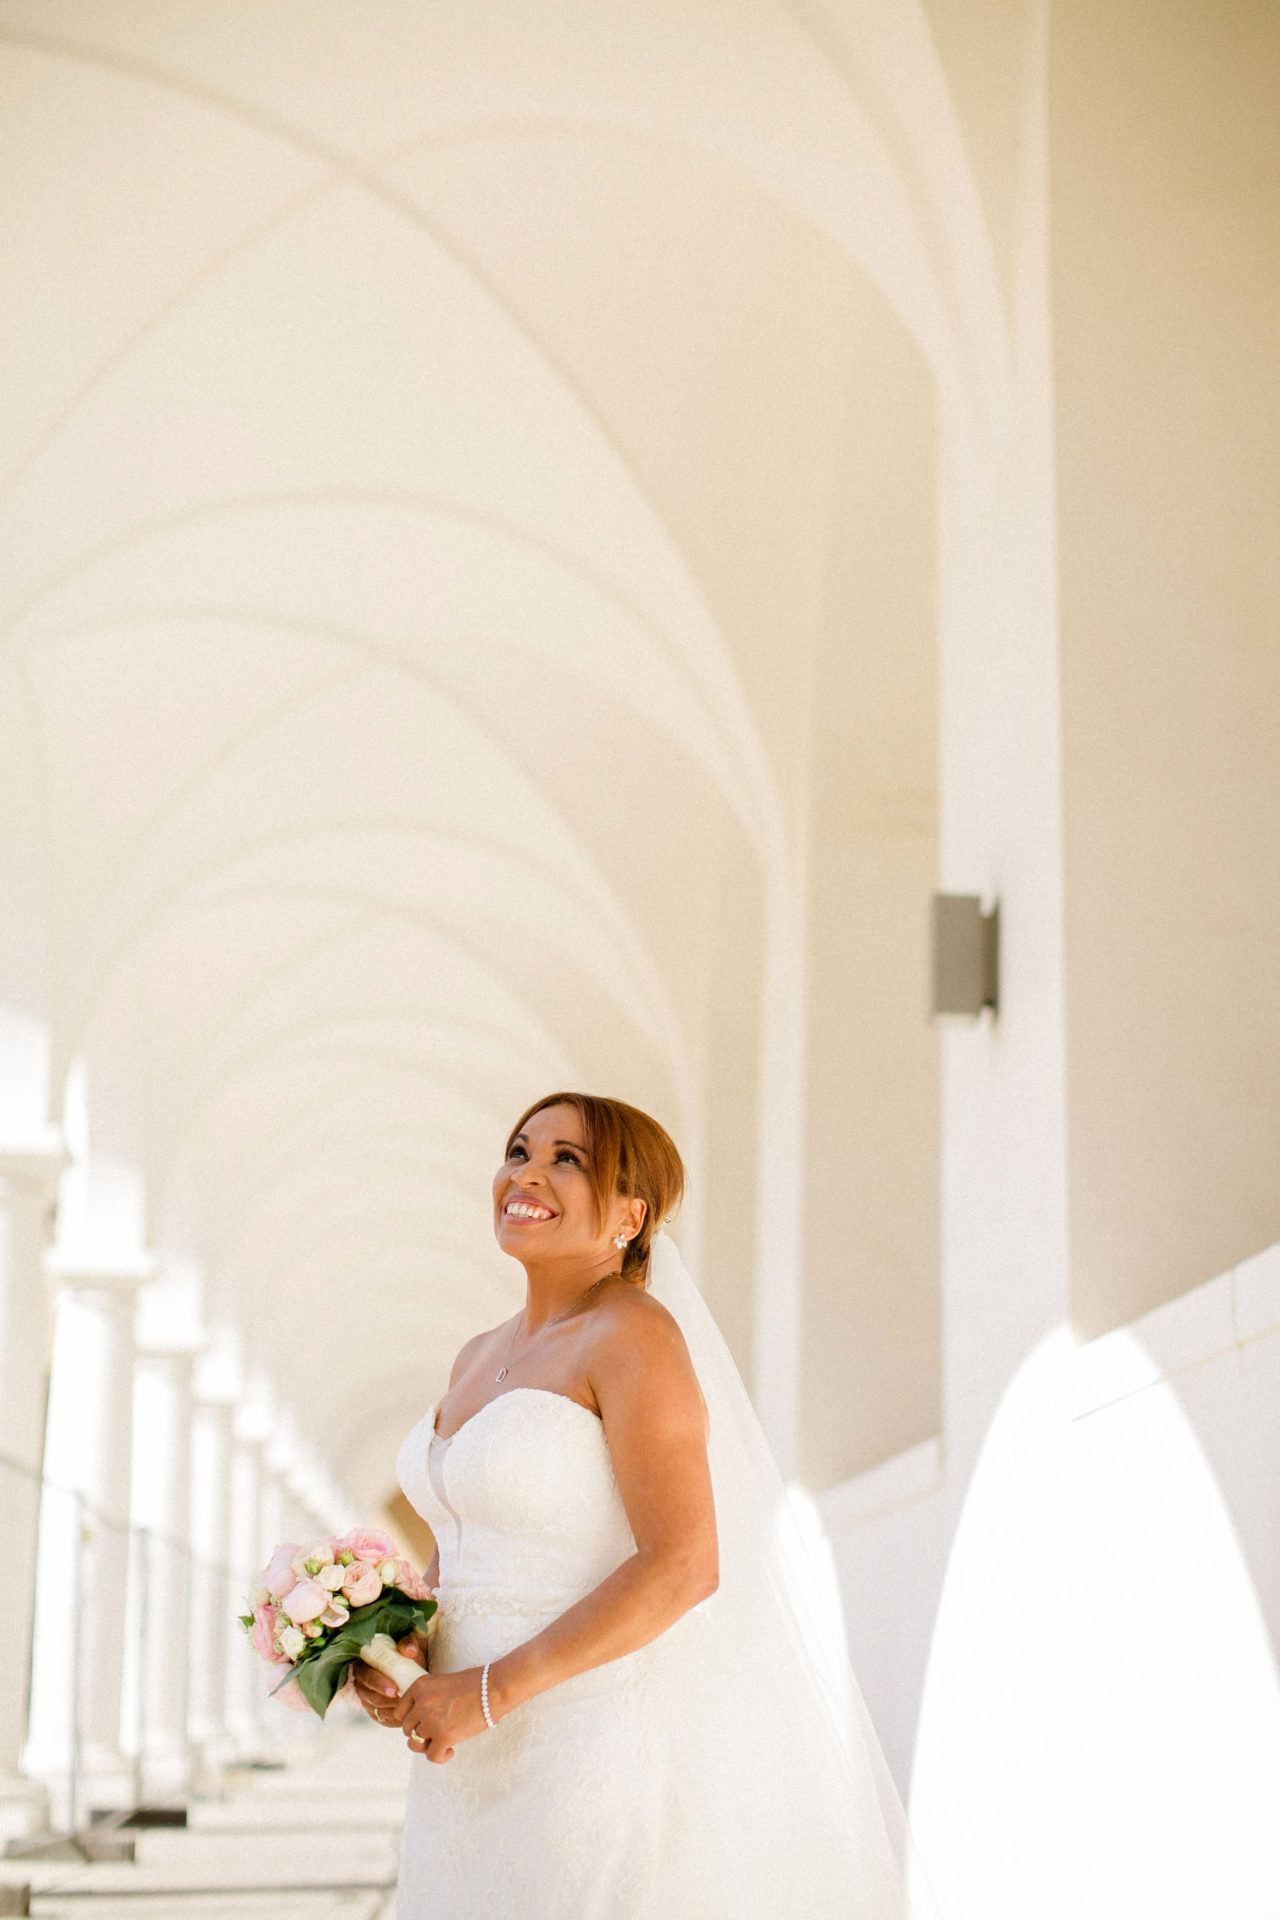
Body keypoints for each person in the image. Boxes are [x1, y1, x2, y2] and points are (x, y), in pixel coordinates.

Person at [354, 1092, 938, 1919]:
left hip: (576, 1746)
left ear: (632, 1214)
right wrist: (406, 1647)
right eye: (520, 1150)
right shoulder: (475, 1354)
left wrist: (492, 1689)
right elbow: (461, 1540)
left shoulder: (633, 1336)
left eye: (569, 1159)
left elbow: (685, 1564)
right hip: (461, 1758)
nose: (528, 1173)